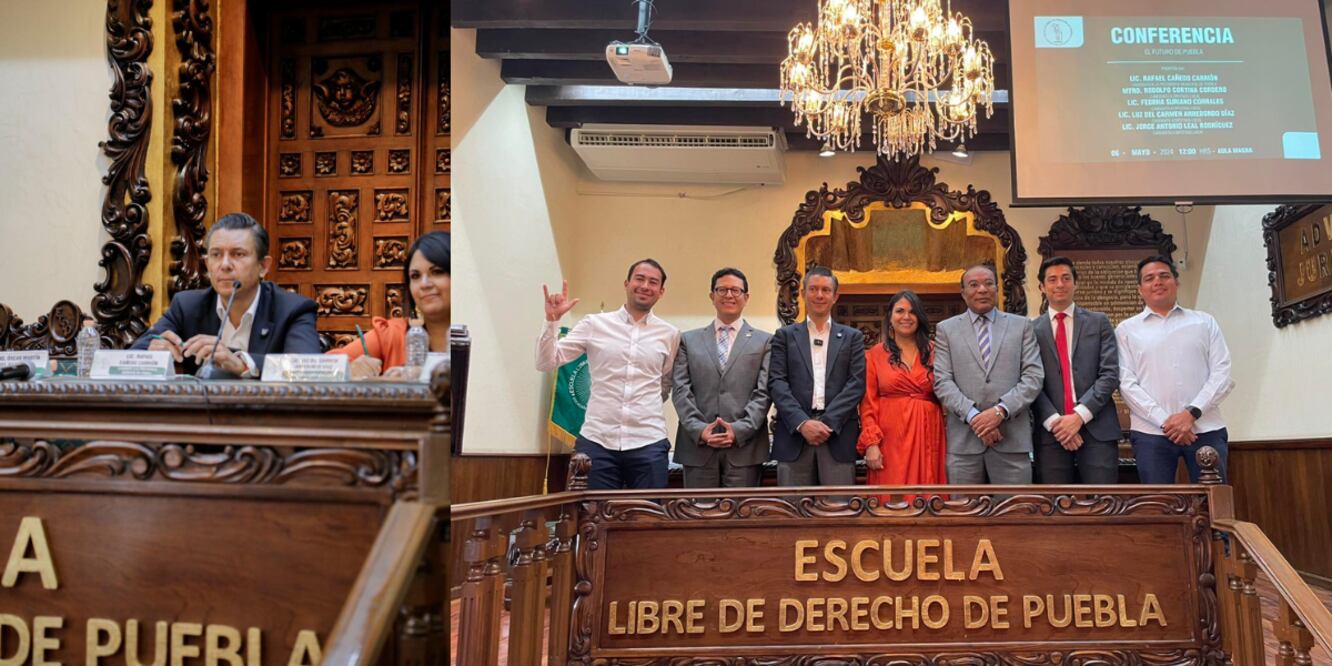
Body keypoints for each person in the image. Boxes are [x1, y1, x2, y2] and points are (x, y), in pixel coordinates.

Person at [536, 259, 680, 490]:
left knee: (647, 512)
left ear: (661, 292)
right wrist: (552, 322)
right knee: (593, 511)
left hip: (649, 440)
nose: (645, 286)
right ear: (627, 283)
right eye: (640, 279)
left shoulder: (670, 334)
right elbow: (546, 362)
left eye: (653, 282)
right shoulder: (595, 324)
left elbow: (665, 381)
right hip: (597, 441)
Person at [131, 212, 319, 376]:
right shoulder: (187, 305)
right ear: (207, 265)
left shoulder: (292, 309)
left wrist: (242, 363)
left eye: (238, 254)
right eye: (216, 255)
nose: (225, 265)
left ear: (263, 266)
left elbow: (306, 369)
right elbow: (132, 356)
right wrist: (153, 352)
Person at [1117, 255, 1234, 483]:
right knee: (1158, 502)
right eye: (1149, 278)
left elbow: (1222, 373)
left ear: (1176, 282)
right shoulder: (1126, 330)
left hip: (1205, 428)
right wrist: (1166, 421)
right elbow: (1126, 384)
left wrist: (1191, 414)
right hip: (1151, 433)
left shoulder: (1204, 322)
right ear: (1140, 289)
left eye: (1164, 276)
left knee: (1213, 499)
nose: (1158, 282)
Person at [933, 264, 1043, 485]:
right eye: (974, 285)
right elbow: (942, 382)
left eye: (988, 283)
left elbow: (1033, 376)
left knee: (1016, 506)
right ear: (963, 293)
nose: (982, 289)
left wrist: (1000, 411)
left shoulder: (1021, 326)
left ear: (997, 288)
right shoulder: (946, 329)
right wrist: (975, 418)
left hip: (1011, 439)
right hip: (964, 444)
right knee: (963, 506)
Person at [671, 268, 772, 488]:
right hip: (697, 447)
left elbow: (764, 392)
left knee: (741, 510)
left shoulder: (765, 342)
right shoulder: (688, 340)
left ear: (746, 297)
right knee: (698, 509)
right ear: (712, 295)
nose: (729, 295)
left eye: (735, 290)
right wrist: (699, 429)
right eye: (722, 290)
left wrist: (739, 429)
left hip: (745, 448)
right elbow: (680, 389)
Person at [768, 266, 866, 487]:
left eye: (825, 290)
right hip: (794, 435)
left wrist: (827, 423)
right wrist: (802, 423)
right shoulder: (784, 336)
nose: (819, 295)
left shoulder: (852, 337)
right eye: (813, 289)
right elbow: (777, 382)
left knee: (838, 505)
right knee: (792, 506)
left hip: (838, 435)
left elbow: (856, 384)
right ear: (803, 293)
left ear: (835, 296)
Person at [1031, 257, 1121, 484]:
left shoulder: (1099, 322)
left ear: (1075, 283)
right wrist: (1056, 423)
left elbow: (1110, 374)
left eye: (1066, 278)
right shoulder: (1031, 330)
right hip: (1051, 433)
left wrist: (1079, 416)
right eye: (1052, 279)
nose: (1060, 284)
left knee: (1103, 500)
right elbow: (1029, 380)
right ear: (1042, 287)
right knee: (1057, 502)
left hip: (1097, 428)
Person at [856, 290, 947, 503]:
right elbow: (867, 403)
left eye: (912, 312)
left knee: (928, 497)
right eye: (900, 311)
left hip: (928, 435)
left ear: (920, 317)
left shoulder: (936, 352)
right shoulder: (874, 354)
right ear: (890, 317)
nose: (906, 317)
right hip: (890, 440)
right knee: (892, 499)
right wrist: (871, 443)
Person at [328, 231, 451, 378]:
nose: (424, 284)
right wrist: (349, 369)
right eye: (415, 276)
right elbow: (324, 368)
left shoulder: (476, 333)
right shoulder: (392, 335)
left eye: (437, 272)